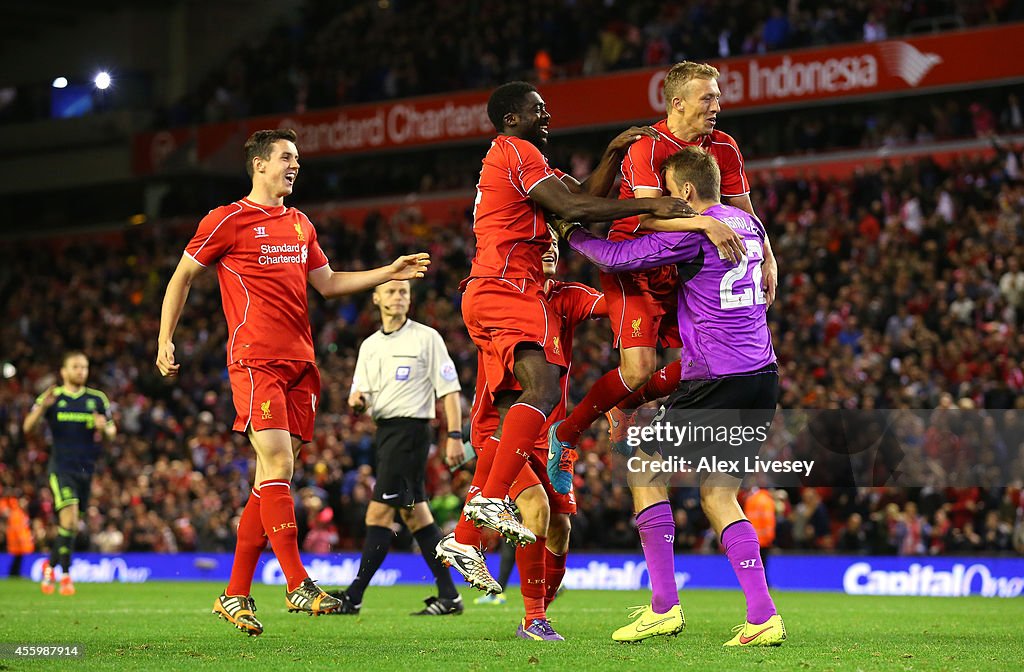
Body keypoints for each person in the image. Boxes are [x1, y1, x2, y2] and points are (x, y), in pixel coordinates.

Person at [155, 128, 430, 636]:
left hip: (301, 364)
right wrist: (164, 339)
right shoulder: (227, 219)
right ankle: (297, 582)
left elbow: (327, 284)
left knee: (270, 480)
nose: (295, 165)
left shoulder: (300, 224)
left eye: (298, 159)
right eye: (286, 157)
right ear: (259, 165)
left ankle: (235, 594)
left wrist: (386, 271)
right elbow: (181, 277)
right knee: (278, 463)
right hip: (255, 359)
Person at [554, 146, 785, 646]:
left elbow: (618, 257)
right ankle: (763, 615)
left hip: (718, 378)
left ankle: (664, 606)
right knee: (720, 495)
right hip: (762, 375)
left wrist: (572, 231)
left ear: (682, 193)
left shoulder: (693, 236)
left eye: (664, 195)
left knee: (641, 465)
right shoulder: (751, 226)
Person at [459, 80, 700, 546]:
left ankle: (470, 530)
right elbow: (572, 207)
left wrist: (611, 155)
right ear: (512, 118)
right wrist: (651, 203)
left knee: (531, 399)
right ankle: (484, 504)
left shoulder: (527, 163)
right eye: (538, 110)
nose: (547, 117)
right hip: (504, 286)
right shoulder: (515, 150)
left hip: (506, 289)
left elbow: (582, 200)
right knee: (544, 389)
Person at [547, 60, 778, 497]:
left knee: (703, 359)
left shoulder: (724, 147)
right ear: (677, 103)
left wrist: (767, 255)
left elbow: (744, 215)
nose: (717, 106)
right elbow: (649, 219)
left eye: (718, 96)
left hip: (682, 264)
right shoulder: (647, 147)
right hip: (634, 263)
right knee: (639, 368)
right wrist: (705, 225)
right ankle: (567, 436)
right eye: (707, 97)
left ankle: (625, 406)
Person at [438, 236, 605, 640]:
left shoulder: (565, 297)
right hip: (500, 427)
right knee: (537, 509)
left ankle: (536, 613)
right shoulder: (502, 296)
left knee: (562, 528)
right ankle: (534, 620)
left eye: (554, 245)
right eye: (540, 243)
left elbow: (609, 306)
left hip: (552, 436)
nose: (548, 249)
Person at [327, 279, 466, 616]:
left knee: (379, 512)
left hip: (412, 432)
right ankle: (449, 596)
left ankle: (354, 596)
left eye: (404, 291)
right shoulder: (370, 345)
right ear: (376, 298)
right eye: (391, 291)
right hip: (386, 432)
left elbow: (448, 389)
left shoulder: (426, 338)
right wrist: (358, 402)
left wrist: (455, 435)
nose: (398, 296)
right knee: (416, 515)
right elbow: (361, 395)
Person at [23, 351, 115, 596]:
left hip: (86, 469)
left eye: (84, 367)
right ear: (63, 371)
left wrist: (104, 429)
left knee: (71, 527)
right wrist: (42, 408)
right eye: (75, 367)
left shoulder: (97, 399)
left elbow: (112, 433)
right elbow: (27, 428)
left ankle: (49, 566)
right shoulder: (53, 397)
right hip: (61, 467)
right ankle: (65, 575)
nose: (81, 371)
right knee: (70, 521)